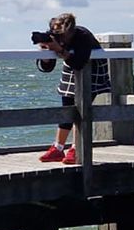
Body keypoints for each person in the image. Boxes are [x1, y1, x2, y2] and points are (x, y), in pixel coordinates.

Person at [35, 12, 111, 164]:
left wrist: (60, 50)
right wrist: (46, 54)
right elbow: (48, 67)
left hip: (90, 67)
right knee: (67, 108)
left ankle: (76, 149)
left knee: (80, 110)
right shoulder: (53, 36)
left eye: (63, 35)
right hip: (70, 64)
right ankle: (58, 148)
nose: (60, 38)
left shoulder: (83, 36)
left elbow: (79, 62)